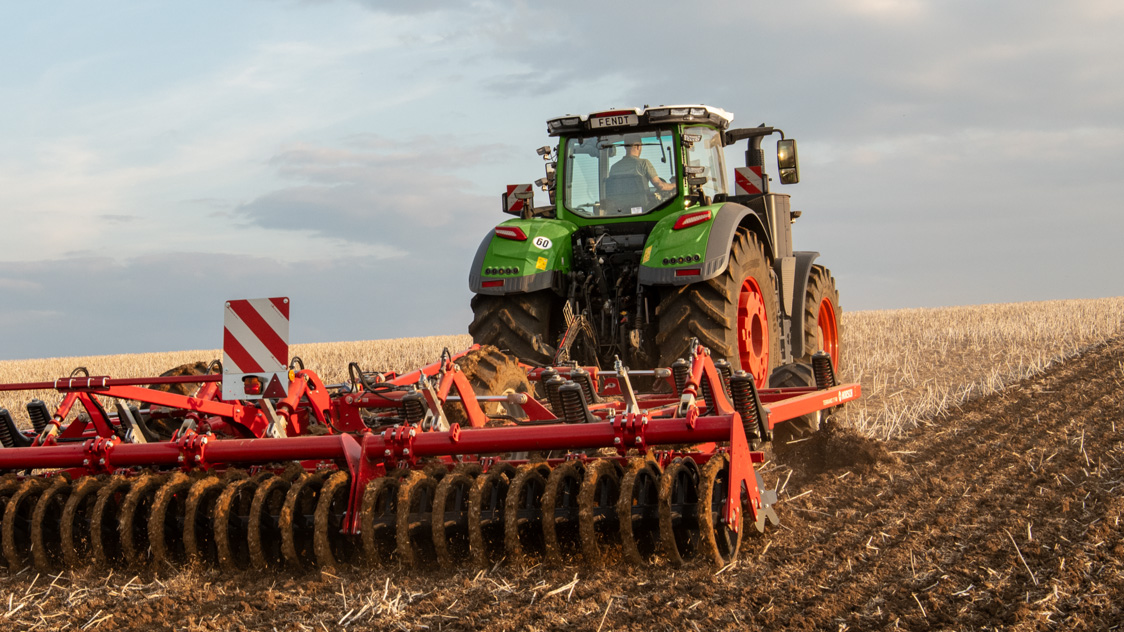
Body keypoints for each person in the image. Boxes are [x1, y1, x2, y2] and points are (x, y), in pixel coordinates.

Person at [608, 139, 676, 193]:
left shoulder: (614, 167)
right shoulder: (643, 163)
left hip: (620, 209)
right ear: (638, 146)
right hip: (644, 207)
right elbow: (661, 186)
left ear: (625, 147)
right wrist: (675, 185)